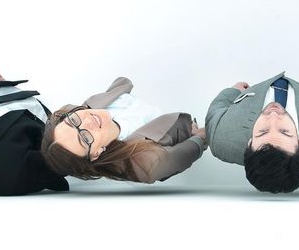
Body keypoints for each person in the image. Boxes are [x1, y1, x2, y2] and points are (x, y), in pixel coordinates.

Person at [205, 72, 299, 193]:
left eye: (262, 132)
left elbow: (217, 108)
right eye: (285, 131)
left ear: (249, 143)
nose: (273, 116)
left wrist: (233, 91)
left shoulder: (220, 138)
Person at [41, 77, 206, 184]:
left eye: (73, 121)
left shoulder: (84, 108)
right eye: (84, 138)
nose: (87, 123)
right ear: (96, 153)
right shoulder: (145, 162)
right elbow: (197, 143)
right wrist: (199, 137)